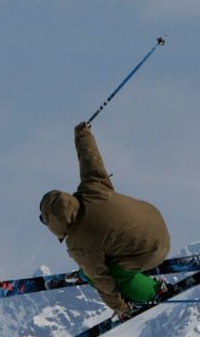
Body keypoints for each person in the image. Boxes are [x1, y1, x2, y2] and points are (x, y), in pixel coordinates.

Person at [39, 122, 170, 317]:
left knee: (112, 275)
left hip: (153, 250)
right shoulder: (91, 188)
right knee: (98, 256)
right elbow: (90, 159)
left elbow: (103, 281)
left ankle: (154, 290)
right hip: (155, 219)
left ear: (54, 223)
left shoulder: (79, 243)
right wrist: (82, 134)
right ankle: (87, 270)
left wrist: (120, 307)